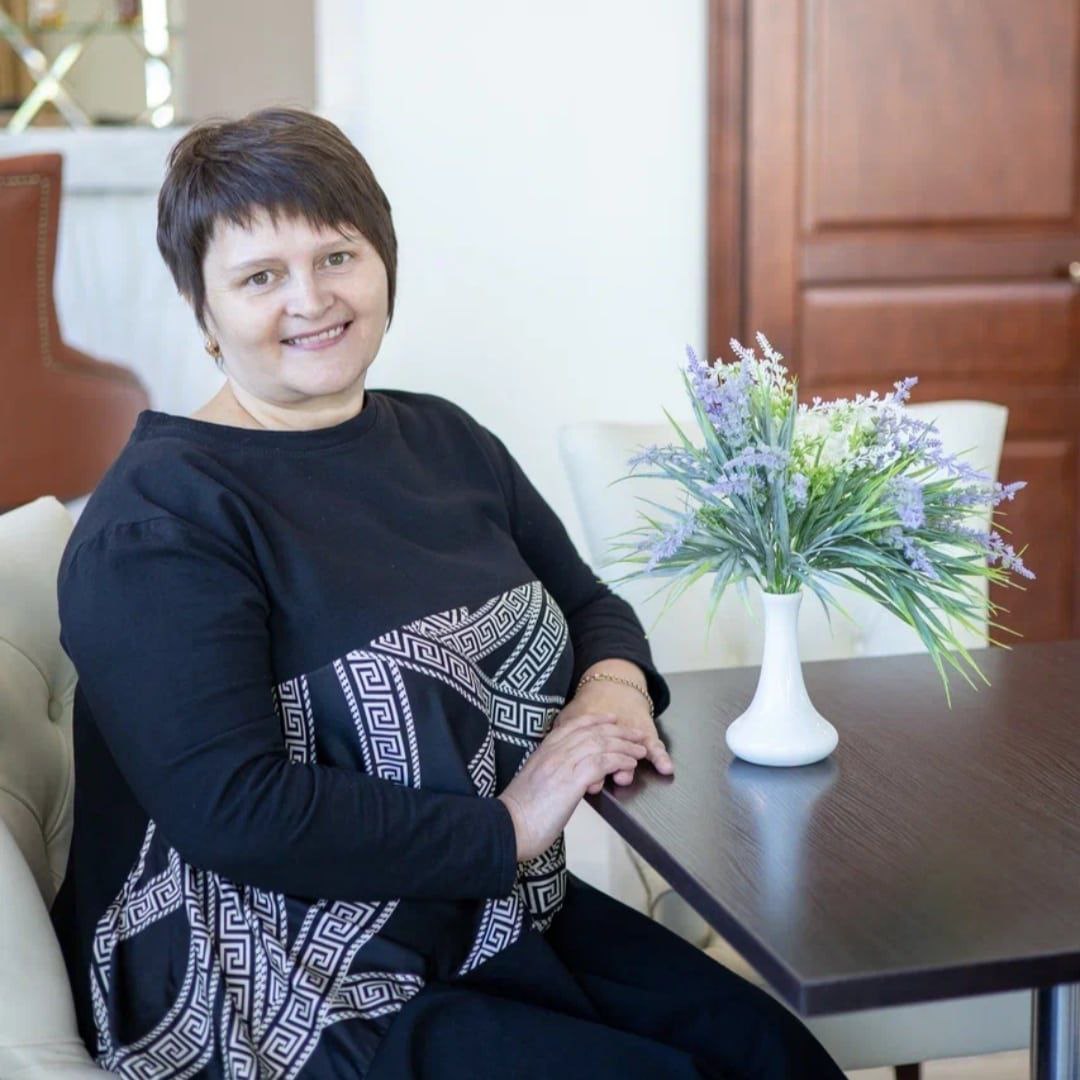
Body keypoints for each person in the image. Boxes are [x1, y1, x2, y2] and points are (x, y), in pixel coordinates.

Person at [52, 107, 845, 1079]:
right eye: (261, 277)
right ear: (202, 308)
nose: (312, 299)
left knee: (777, 1054)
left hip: (486, 911)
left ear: (383, 261)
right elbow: (235, 809)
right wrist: (512, 823)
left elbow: (593, 607)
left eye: (337, 256)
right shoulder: (159, 523)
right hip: (274, 975)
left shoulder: (443, 439)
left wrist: (611, 692)